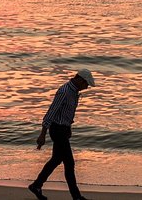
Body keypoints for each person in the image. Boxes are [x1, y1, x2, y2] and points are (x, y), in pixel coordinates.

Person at [28, 69, 96, 200]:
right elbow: (51, 112)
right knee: (69, 163)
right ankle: (76, 197)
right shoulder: (64, 91)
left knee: (56, 160)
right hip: (57, 130)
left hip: (63, 130)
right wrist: (42, 134)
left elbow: (66, 114)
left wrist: (68, 128)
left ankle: (36, 185)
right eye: (86, 84)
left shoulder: (74, 92)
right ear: (80, 80)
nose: (86, 87)